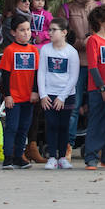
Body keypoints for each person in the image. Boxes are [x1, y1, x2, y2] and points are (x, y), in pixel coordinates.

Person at [55, 0, 95, 156]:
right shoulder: (66, 9)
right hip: (76, 64)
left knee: (96, 107)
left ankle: (95, 146)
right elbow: (60, 36)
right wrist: (81, 43)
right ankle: (67, 147)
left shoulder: (100, 7)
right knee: (73, 106)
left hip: (97, 64)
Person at [38, 17, 79, 170]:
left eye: (54, 30)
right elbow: (41, 72)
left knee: (63, 126)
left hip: (66, 95)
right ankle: (52, 157)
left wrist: (62, 97)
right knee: (51, 125)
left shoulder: (71, 52)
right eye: (49, 29)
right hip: (49, 94)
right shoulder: (45, 49)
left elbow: (73, 76)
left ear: (64, 33)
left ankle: (62, 156)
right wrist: (43, 95)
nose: (50, 33)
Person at [0, 15, 39, 169]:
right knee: (12, 127)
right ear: (14, 32)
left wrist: (35, 91)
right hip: (14, 98)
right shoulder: (10, 50)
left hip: (28, 97)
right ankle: (8, 156)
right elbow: (5, 76)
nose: (26, 33)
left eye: (28, 30)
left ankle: (18, 156)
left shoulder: (34, 50)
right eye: (22, 30)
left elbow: (36, 73)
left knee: (24, 128)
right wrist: (7, 95)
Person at [83, 3, 105, 170]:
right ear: (101, 21)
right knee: (97, 123)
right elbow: (93, 67)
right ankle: (91, 157)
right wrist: (102, 88)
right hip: (98, 90)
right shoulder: (93, 40)